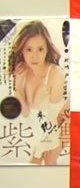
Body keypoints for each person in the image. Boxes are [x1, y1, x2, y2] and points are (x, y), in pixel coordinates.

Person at [8, 20, 68, 165]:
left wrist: (38, 150)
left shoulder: (55, 74)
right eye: (29, 49)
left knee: (48, 162)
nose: (34, 56)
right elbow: (25, 113)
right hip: (42, 130)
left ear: (47, 50)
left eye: (40, 49)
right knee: (35, 164)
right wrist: (18, 89)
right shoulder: (22, 71)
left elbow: (55, 118)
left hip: (63, 122)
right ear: (22, 50)